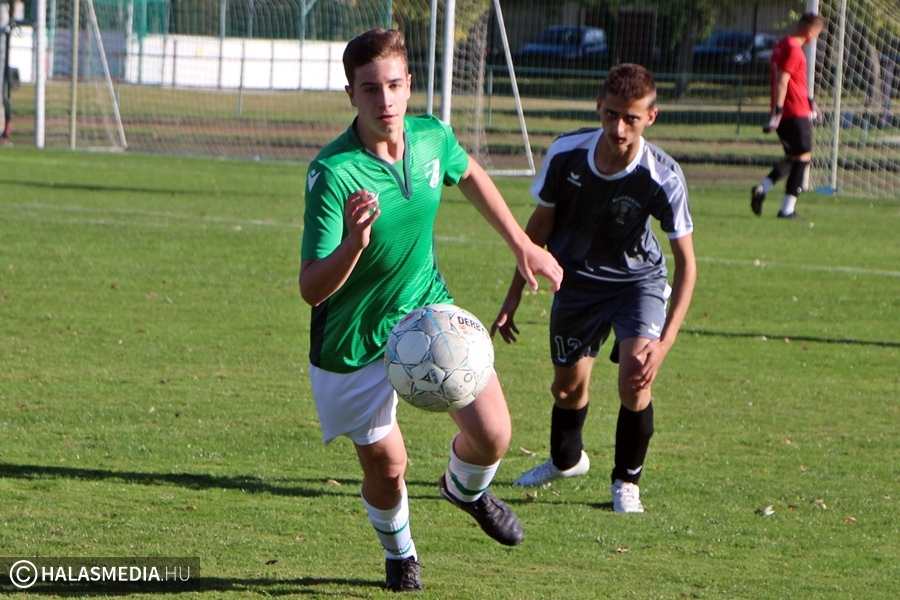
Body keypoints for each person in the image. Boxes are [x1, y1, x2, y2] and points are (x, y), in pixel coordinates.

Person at [298, 28, 563, 592]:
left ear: (409, 85)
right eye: (370, 89)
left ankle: (463, 489)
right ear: (351, 94)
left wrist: (521, 243)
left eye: (394, 85)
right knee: (388, 468)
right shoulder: (333, 174)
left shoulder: (430, 138)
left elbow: (467, 174)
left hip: (426, 311)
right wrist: (353, 243)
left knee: (493, 435)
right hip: (353, 340)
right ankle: (401, 554)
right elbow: (311, 290)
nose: (384, 101)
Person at [492, 63, 696, 514]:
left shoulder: (663, 174)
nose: (618, 128)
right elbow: (539, 226)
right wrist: (513, 293)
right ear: (598, 107)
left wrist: (665, 343)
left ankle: (626, 480)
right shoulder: (566, 154)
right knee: (567, 390)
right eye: (610, 115)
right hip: (575, 282)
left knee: (634, 381)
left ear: (651, 117)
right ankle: (566, 461)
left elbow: (687, 263)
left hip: (636, 284)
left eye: (631, 118)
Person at [751, 12, 825, 219]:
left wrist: (809, 101)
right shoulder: (794, 49)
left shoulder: (782, 44)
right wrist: (780, 109)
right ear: (810, 33)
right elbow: (783, 81)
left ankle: (763, 189)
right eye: (817, 34)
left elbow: (791, 81)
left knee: (793, 157)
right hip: (794, 112)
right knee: (803, 157)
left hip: (791, 110)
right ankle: (787, 209)